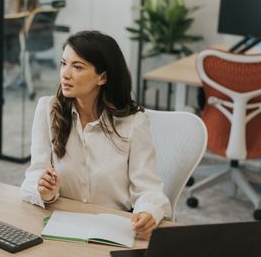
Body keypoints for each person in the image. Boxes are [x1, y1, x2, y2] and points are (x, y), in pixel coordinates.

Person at [20, 30, 172, 240]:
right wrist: (43, 191)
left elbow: (149, 189)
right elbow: (33, 177)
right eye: (63, 64)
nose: (65, 73)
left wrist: (148, 213)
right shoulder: (48, 110)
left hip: (114, 231)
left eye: (77, 67)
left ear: (103, 77)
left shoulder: (133, 123)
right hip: (62, 227)